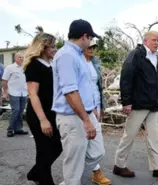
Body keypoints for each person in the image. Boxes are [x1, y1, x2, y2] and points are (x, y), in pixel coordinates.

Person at [113, 31, 158, 179]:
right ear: (145, 41)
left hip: (153, 105)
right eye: (154, 40)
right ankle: (119, 165)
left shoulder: (156, 59)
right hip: (138, 104)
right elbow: (126, 78)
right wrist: (126, 102)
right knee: (129, 136)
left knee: (154, 137)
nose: (156, 43)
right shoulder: (136, 55)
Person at [52, 19, 105, 185]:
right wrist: (86, 120)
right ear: (84, 36)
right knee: (73, 165)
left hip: (87, 113)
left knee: (97, 152)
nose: (90, 42)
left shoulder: (78, 55)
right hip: (73, 117)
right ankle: (71, 181)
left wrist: (93, 110)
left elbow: (85, 86)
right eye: (90, 38)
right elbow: (70, 91)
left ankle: (69, 181)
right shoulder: (66, 55)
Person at [23, 33, 63, 185]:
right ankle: (45, 180)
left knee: (57, 147)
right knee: (44, 150)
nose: (55, 49)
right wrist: (43, 120)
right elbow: (33, 95)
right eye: (52, 46)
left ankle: (35, 173)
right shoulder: (34, 64)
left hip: (53, 112)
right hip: (39, 114)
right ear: (43, 47)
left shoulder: (53, 64)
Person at [84, 40, 111, 185]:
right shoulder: (78, 62)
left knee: (93, 139)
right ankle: (95, 171)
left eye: (93, 46)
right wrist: (91, 107)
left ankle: (93, 171)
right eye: (89, 46)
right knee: (87, 139)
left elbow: (98, 86)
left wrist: (101, 106)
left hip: (96, 103)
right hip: (84, 106)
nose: (91, 49)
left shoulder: (94, 62)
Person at [2, 52, 28, 137]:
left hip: (23, 93)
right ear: (15, 58)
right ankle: (10, 129)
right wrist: (5, 93)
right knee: (15, 110)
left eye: (22, 57)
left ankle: (18, 129)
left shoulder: (24, 68)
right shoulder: (10, 68)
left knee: (20, 112)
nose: (22, 59)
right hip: (13, 93)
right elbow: (4, 81)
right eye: (20, 57)